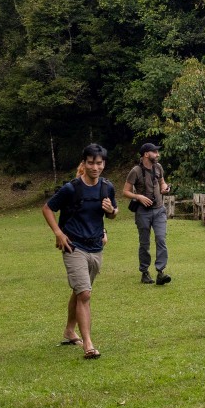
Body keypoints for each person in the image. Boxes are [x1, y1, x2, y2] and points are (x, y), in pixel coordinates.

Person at [41, 144, 119, 359]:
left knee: (80, 291)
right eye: (91, 162)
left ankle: (69, 331)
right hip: (73, 246)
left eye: (99, 163)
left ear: (104, 164)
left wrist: (110, 212)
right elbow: (47, 208)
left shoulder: (107, 187)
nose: (95, 167)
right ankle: (88, 344)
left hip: (96, 247)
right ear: (83, 163)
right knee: (84, 293)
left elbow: (113, 212)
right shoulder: (71, 188)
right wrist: (58, 232)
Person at [123, 142, 172, 285]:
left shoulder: (158, 167)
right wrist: (138, 197)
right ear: (146, 154)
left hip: (159, 210)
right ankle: (144, 272)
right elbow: (125, 192)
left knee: (161, 239)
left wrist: (164, 188)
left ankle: (160, 272)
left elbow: (162, 182)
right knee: (144, 243)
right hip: (142, 212)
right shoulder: (135, 171)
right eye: (155, 152)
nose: (158, 154)